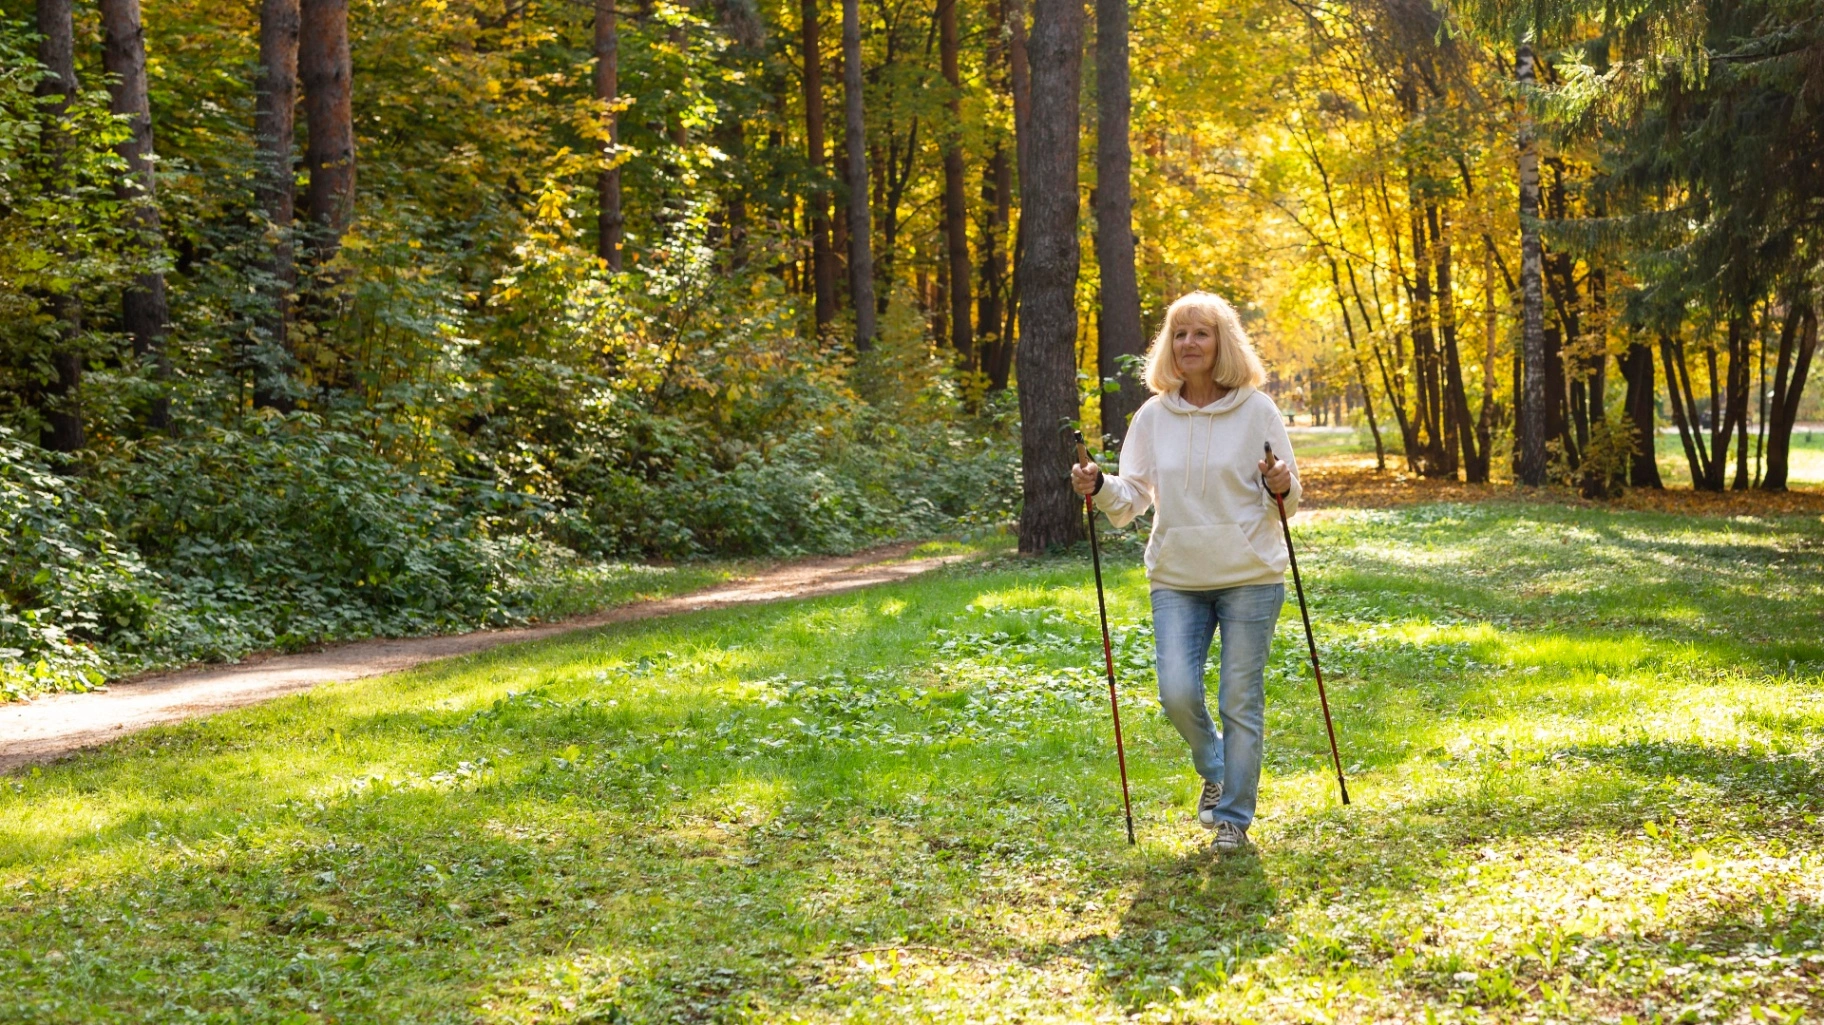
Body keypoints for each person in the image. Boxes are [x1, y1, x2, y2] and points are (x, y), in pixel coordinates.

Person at [1071, 291, 1300, 854]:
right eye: (1179, 334)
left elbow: (1288, 502)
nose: (1189, 344)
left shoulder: (1257, 410)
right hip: (1177, 575)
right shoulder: (1154, 415)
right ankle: (1215, 765)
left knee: (1238, 698)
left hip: (1250, 573)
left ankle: (1233, 819)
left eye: (1201, 333)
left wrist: (1280, 485)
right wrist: (1099, 487)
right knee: (1175, 691)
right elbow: (1133, 499)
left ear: (1223, 342)